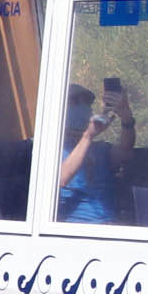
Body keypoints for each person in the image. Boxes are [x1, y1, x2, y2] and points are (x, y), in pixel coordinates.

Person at [56, 78, 133, 222]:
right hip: (75, 230)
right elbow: (60, 179)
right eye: (75, 101)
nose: (82, 107)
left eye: (86, 102)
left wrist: (126, 118)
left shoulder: (100, 149)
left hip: (110, 226)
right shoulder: (49, 149)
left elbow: (125, 153)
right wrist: (88, 136)